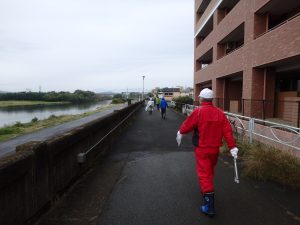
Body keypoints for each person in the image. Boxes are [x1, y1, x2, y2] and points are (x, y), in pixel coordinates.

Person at [176, 88, 238, 217]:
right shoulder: (220, 113)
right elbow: (227, 131)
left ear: (202, 99)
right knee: (209, 170)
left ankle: (209, 206)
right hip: (215, 149)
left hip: (202, 149)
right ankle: (207, 190)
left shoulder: (198, 112)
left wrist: (180, 132)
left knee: (204, 174)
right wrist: (232, 147)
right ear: (212, 99)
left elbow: (188, 125)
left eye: (199, 97)